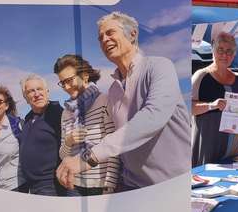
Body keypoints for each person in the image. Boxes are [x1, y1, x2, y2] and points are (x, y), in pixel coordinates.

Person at [56, 11, 190, 192]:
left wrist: (90, 157)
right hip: (131, 187)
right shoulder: (113, 90)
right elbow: (119, 140)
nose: (104, 40)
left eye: (110, 33)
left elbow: (153, 116)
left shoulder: (159, 66)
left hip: (170, 185)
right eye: (100, 37)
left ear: (133, 34)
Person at [54, 54, 119, 195]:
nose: (66, 87)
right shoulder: (66, 112)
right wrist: (69, 141)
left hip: (100, 185)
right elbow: (62, 155)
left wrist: (109, 186)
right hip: (74, 184)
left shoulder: (104, 101)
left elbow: (113, 147)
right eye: (62, 83)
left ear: (84, 76)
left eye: (70, 80)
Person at [191, 32, 238, 166]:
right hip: (208, 153)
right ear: (213, 51)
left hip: (236, 154)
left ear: (234, 54)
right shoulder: (201, 77)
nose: (224, 55)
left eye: (229, 51)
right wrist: (211, 105)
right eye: (220, 50)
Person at [20, 74, 66, 196]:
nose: (36, 94)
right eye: (31, 91)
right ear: (25, 97)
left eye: (39, 89)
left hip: (51, 185)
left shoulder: (59, 113)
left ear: (47, 92)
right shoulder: (28, 118)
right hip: (31, 185)